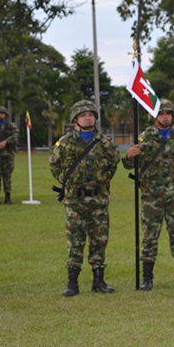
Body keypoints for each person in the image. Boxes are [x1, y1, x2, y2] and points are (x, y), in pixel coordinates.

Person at [123, 99, 174, 290]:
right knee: (150, 237)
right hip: (152, 196)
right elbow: (131, 164)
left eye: (168, 114)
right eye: (161, 114)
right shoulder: (144, 137)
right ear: (154, 117)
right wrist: (128, 156)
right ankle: (147, 278)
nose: (165, 117)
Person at [49, 100, 119, 297]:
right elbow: (54, 165)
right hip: (75, 201)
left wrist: (103, 180)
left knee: (99, 241)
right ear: (75, 119)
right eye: (83, 115)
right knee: (75, 242)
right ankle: (72, 283)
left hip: (98, 200)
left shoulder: (105, 143)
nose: (88, 118)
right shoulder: (65, 143)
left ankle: (99, 281)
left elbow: (113, 163)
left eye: (91, 115)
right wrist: (67, 182)